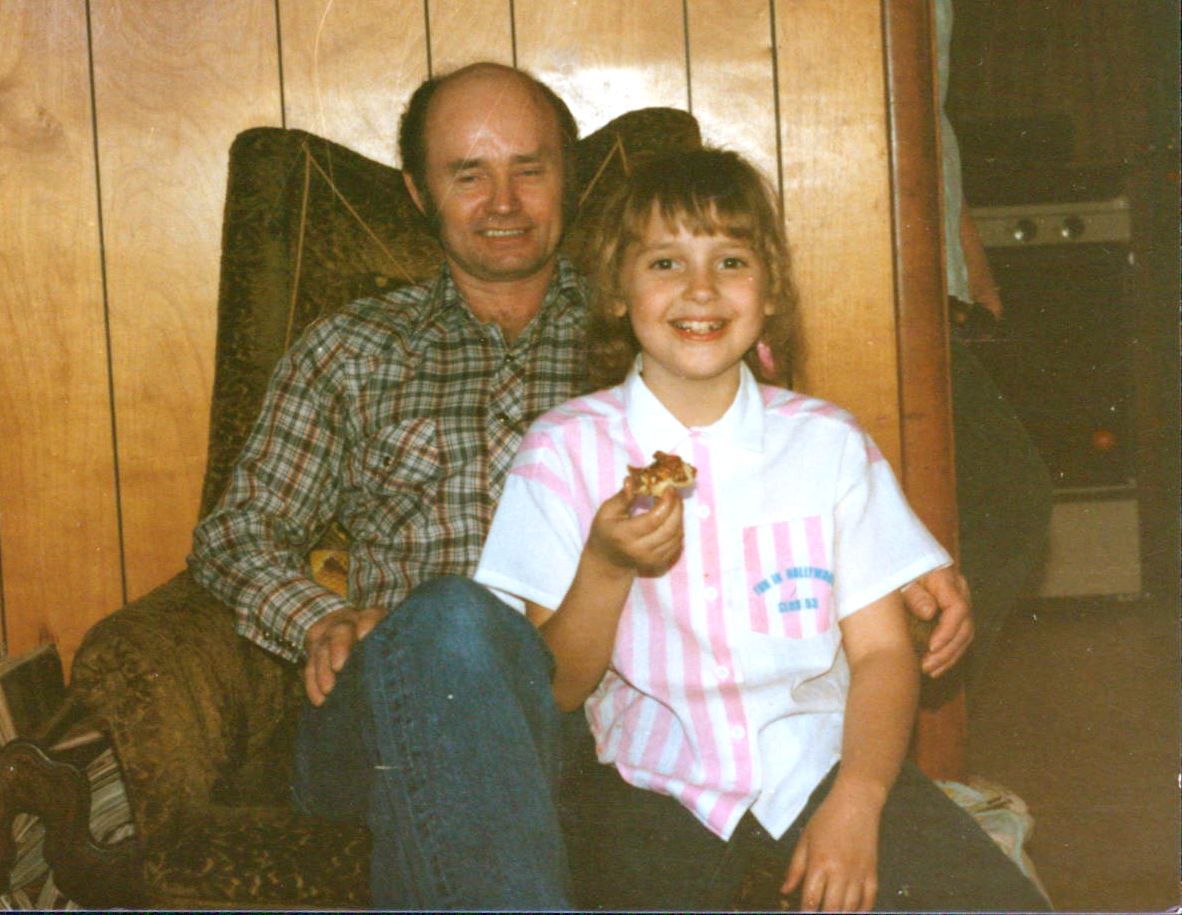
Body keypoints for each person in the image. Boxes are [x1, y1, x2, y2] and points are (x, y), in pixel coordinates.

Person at [188, 62, 973, 909]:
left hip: (578, 718)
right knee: (453, 618)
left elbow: (775, 468)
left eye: (529, 169)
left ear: (568, 176)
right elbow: (235, 534)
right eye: (468, 175)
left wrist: (904, 568)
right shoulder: (352, 349)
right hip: (399, 705)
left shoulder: (653, 322)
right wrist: (321, 615)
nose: (503, 201)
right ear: (418, 192)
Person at [475, 148, 1050, 911]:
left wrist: (858, 800)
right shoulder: (563, 450)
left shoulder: (828, 443)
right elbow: (557, 686)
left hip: (818, 763)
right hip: (648, 782)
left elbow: (882, 653)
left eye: (732, 260)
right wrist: (606, 565)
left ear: (770, 288)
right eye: (666, 262)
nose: (701, 288)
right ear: (617, 290)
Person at [935, 0, 1053, 692]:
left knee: (998, 507)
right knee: (1010, 498)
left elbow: (929, 126)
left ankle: (920, 718)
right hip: (888, 280)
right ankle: (908, 713)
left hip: (941, 288)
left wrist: (973, 268)